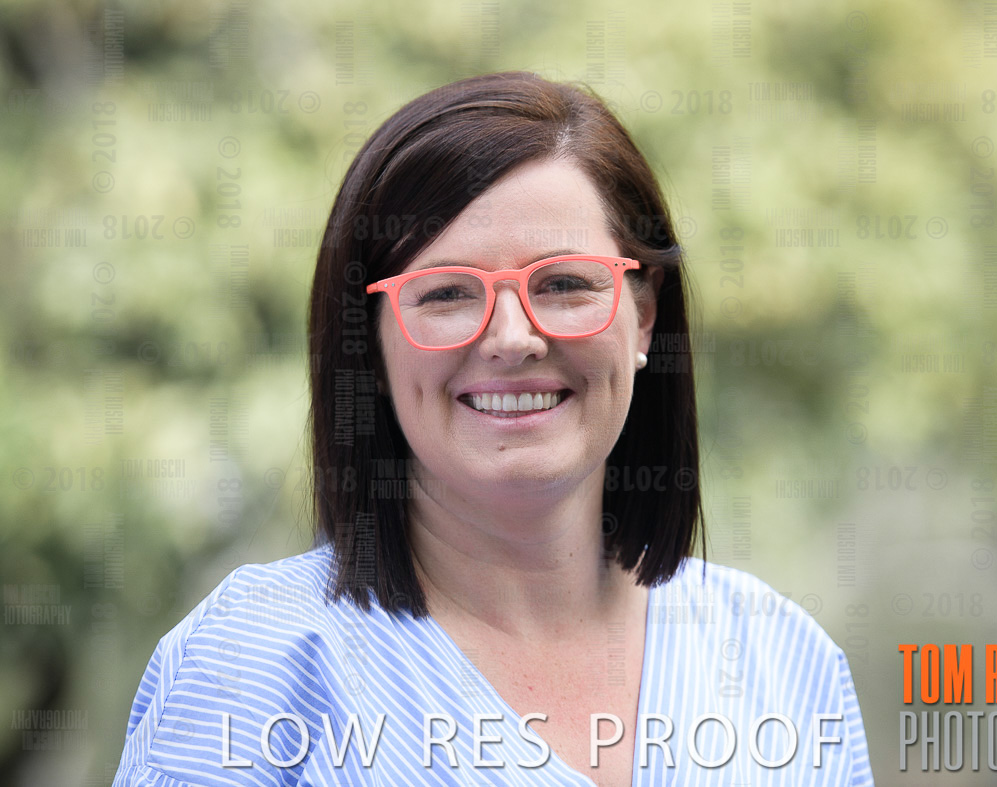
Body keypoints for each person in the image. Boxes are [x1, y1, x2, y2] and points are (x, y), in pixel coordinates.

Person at [114, 71, 874, 786]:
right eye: (446, 293)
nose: (512, 338)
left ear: (642, 314)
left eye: (564, 284)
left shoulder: (783, 662)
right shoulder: (249, 666)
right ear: (368, 341)